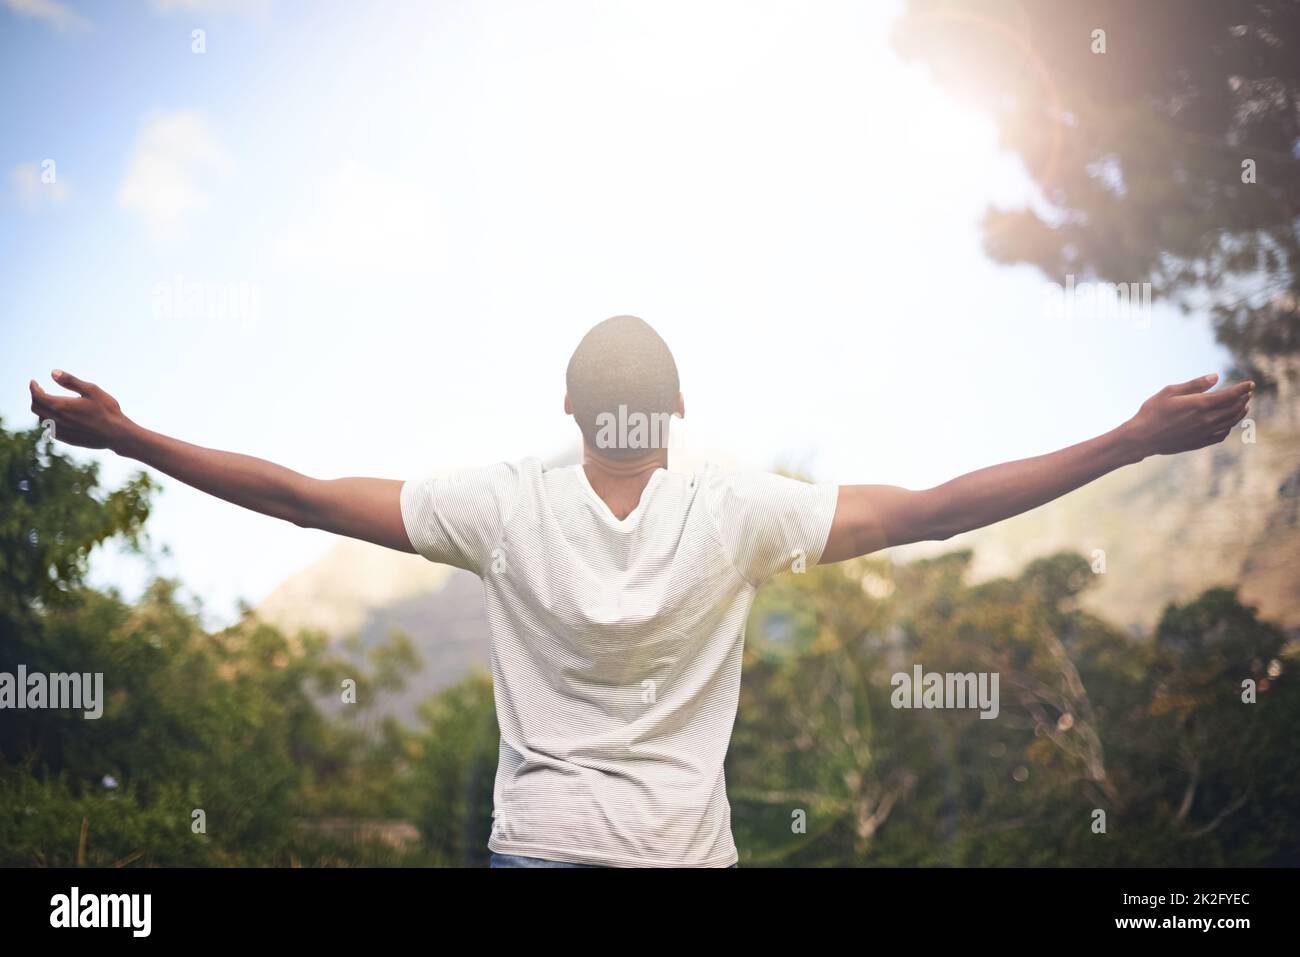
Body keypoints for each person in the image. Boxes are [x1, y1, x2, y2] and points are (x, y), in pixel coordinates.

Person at [28, 314, 1254, 868]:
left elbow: (298, 494)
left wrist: (136, 438)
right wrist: (1124, 441)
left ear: (568, 412)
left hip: (539, 850)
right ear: (676, 411)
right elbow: (934, 510)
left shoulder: (502, 501)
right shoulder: (737, 506)